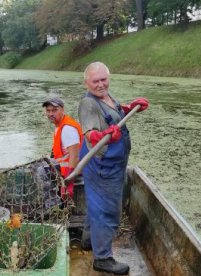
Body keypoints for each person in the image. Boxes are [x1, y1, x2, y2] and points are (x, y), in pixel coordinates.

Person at [78, 62, 149, 275]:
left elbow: (110, 113)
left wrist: (126, 108)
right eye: (95, 81)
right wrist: (99, 136)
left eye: (103, 79)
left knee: (96, 204)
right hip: (103, 165)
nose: (100, 84)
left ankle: (88, 241)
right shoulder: (88, 104)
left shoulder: (106, 97)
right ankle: (103, 258)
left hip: (112, 164)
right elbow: (89, 132)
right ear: (86, 83)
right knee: (107, 211)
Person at [42, 97, 83, 200]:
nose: (51, 114)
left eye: (54, 110)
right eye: (48, 111)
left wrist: (69, 183)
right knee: (39, 165)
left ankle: (52, 207)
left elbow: (75, 156)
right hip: (64, 166)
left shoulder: (67, 129)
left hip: (73, 171)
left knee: (40, 171)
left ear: (62, 109)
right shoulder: (60, 125)